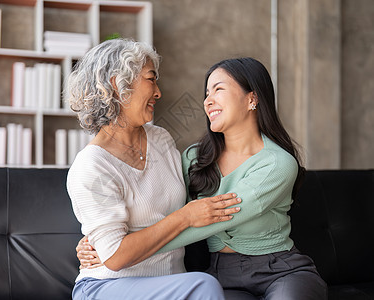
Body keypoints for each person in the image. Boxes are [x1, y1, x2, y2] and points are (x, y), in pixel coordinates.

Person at [78, 57, 328, 299]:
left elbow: (218, 215)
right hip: (222, 274)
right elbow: (163, 205)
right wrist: (105, 242)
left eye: (218, 89)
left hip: (279, 269)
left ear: (252, 98)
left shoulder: (278, 163)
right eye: (206, 94)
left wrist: (126, 252)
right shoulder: (193, 158)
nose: (208, 101)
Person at [66, 38, 242, 300]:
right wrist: (185, 217)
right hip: (107, 287)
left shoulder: (160, 139)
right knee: (204, 286)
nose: (158, 92)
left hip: (169, 284)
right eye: (151, 79)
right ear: (118, 85)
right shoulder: (91, 165)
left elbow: (193, 194)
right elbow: (115, 258)